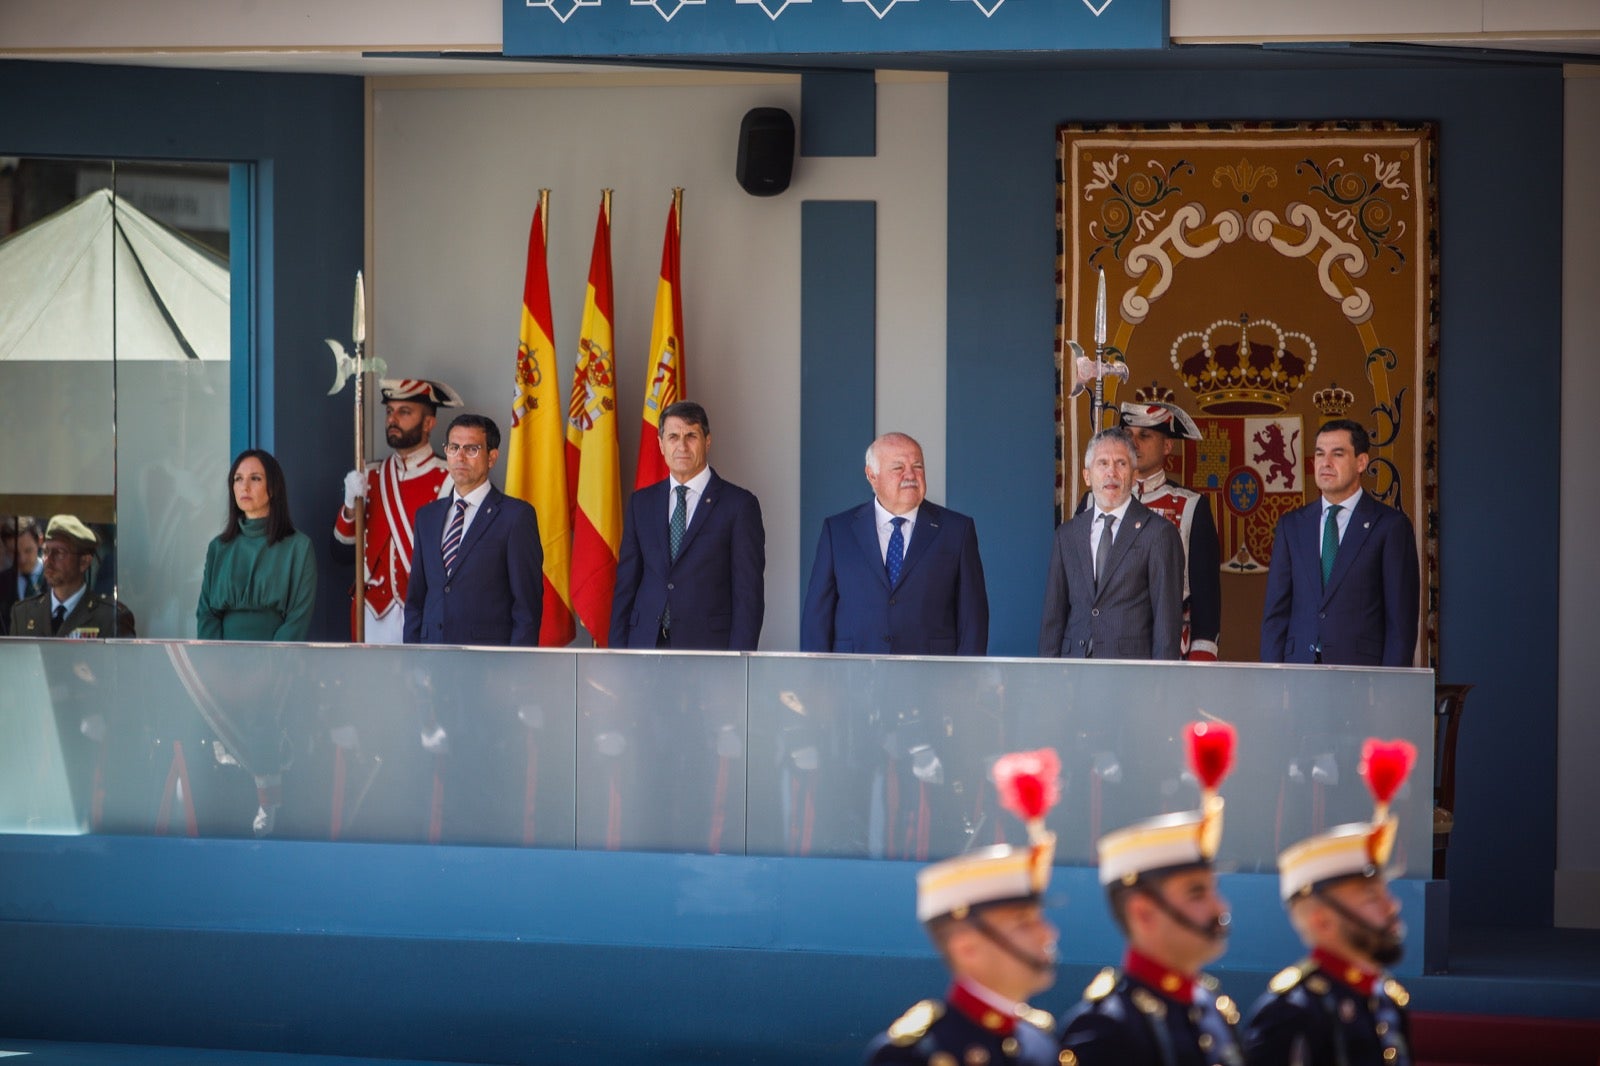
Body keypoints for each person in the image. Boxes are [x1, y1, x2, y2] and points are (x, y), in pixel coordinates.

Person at [1059, 721, 1244, 1066]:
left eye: (1212, 889)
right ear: (1143, 912)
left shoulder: (1214, 1011)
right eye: (1195, 894)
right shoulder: (1107, 1030)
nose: (1219, 907)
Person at [867, 749, 1062, 1066]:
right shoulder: (915, 1056)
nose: (1048, 933)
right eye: (1023, 923)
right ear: (966, 947)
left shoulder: (1040, 1044)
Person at [1243, 739, 1416, 1066]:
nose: (1391, 907)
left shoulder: (1386, 1003)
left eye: (1385, 893)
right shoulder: (1291, 1014)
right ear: (1322, 921)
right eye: (1371, 898)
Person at [802, 432, 989, 655]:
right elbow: (817, 617)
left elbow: (973, 619)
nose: (910, 474)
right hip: (853, 677)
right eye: (898, 468)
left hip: (932, 677)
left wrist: (964, 681)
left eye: (918, 466)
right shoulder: (838, 531)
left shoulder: (957, 530)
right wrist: (815, 679)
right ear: (872, 475)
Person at [1259, 419, 1420, 666]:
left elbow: (1401, 623)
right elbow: (1276, 615)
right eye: (1320, 453)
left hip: (1362, 676)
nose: (1326, 463)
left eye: (1338, 453)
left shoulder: (1390, 526)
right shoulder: (1292, 525)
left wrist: (1391, 689)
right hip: (1298, 671)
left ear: (1361, 462)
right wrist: (1271, 678)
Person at [611, 400, 765, 650]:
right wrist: (616, 654)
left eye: (691, 436)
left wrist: (741, 661)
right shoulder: (641, 503)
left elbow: (748, 596)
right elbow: (626, 585)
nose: (681, 446)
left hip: (708, 650)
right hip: (645, 645)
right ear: (661, 444)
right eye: (673, 437)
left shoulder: (739, 505)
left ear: (707, 441)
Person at [333, 377, 463, 644]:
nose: (393, 419)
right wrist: (349, 507)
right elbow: (342, 552)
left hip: (424, 611)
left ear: (429, 423)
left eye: (404, 412)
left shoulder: (449, 478)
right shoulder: (370, 475)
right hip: (370, 614)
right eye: (390, 412)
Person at [1039, 427, 1184, 659]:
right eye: (1103, 463)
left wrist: (1160, 686)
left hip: (1130, 675)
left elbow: (1167, 624)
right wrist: (1046, 679)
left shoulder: (1158, 533)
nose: (1111, 473)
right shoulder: (1067, 535)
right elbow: (1052, 619)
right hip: (1073, 673)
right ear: (1087, 475)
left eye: (1121, 464)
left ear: (1134, 474)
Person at [404, 413, 542, 646]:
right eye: (454, 447)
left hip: (488, 666)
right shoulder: (427, 516)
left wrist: (517, 672)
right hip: (431, 660)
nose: (460, 457)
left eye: (472, 449)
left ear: (492, 457)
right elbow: (416, 600)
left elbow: (526, 608)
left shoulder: (516, 516)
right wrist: (412, 659)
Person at [1118, 400, 1222, 660]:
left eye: (1145, 435)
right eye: (1127, 435)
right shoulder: (1093, 503)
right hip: (1108, 645)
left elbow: (1206, 594)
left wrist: (1202, 655)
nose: (1134, 442)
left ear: (1167, 445)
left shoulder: (1191, 505)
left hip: (1170, 648)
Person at [196, 449, 317, 641]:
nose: (244, 486)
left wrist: (269, 664)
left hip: (276, 665)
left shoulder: (299, 548)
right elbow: (206, 615)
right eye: (238, 479)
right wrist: (215, 662)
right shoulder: (218, 548)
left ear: (273, 487)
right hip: (222, 664)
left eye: (255, 478)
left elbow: (298, 619)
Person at [9, 514, 137, 638]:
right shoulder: (22, 614)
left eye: (60, 553)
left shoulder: (111, 617)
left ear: (84, 562)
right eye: (46, 551)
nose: (48, 559)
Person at [0, 516, 44, 635]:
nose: (22, 559)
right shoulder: (2, 583)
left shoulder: (57, 580)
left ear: (40, 542)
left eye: (28, 550)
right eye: (14, 553)